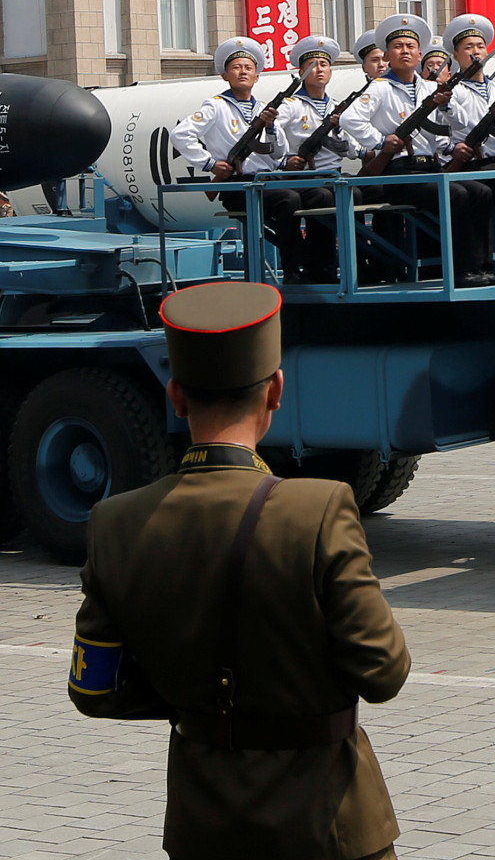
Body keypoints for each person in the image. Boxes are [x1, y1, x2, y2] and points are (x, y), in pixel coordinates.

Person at [68, 278, 409, 860]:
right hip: (329, 824)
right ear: (275, 390)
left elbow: (95, 687)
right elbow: (382, 671)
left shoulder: (115, 523)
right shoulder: (319, 509)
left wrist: (200, 699)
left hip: (205, 823)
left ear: (176, 395)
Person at [338, 14, 495, 287]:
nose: (405, 51)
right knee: (456, 194)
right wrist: (379, 141)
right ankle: (461, 270)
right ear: (387, 54)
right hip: (399, 171)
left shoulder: (431, 87)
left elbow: (455, 124)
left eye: (410, 47)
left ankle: (482, 263)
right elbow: (349, 119)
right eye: (398, 46)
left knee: (480, 191)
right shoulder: (380, 87)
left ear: (419, 53)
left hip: (430, 166)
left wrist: (445, 107)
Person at [168, 36, 308, 282]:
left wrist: (272, 126)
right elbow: (181, 134)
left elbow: (278, 154)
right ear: (225, 75)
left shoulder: (263, 109)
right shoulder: (216, 106)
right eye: (236, 67)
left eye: (248, 68)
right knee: (289, 199)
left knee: (316, 194)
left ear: (257, 76)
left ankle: (317, 264)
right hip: (239, 186)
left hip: (267, 182)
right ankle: (292, 268)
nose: (242, 72)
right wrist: (210, 164)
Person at [436, 14, 495, 271]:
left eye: (480, 46)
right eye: (468, 47)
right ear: (455, 54)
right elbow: (454, 128)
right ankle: (484, 263)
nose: (476, 52)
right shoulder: (453, 91)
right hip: (470, 166)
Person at [276, 34, 358, 282]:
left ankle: (356, 262)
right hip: (301, 178)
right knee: (322, 198)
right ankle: (320, 266)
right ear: (300, 71)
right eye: (311, 65)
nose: (319, 70)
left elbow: (350, 147)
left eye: (323, 64)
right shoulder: (291, 105)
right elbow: (271, 135)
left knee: (358, 192)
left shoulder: (335, 107)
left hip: (331, 176)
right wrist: (286, 160)